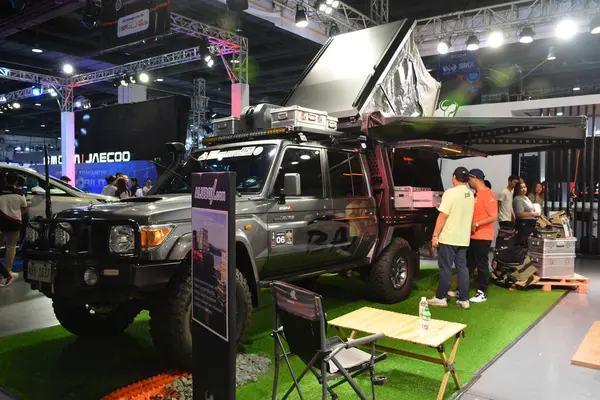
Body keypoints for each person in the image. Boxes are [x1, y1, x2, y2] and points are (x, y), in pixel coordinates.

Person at [428, 167, 475, 310]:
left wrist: (435, 235)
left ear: (454, 177)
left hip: (448, 238)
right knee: (462, 268)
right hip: (463, 238)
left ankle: (441, 297)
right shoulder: (470, 194)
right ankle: (464, 299)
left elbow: (443, 216)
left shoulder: (450, 193)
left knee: (445, 268)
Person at [465, 169, 497, 303]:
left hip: (483, 237)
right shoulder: (476, 195)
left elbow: (493, 216)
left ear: (475, 178)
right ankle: (462, 289)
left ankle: (482, 292)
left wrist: (477, 224)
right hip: (473, 236)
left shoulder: (488, 195)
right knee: (468, 264)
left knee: (482, 265)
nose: (468, 183)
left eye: (469, 180)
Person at [0, 173, 28, 287]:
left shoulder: (1, 194)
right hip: (15, 224)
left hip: (1, 224)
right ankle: (9, 270)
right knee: (11, 247)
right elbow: (24, 209)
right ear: (16, 182)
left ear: (5, 181)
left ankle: (5, 273)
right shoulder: (20, 195)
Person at [513, 181, 539, 245]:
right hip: (523, 225)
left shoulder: (526, 197)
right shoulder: (518, 199)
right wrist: (532, 214)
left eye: (524, 187)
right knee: (522, 245)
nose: (523, 189)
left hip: (530, 225)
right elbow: (519, 214)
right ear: (517, 189)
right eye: (521, 188)